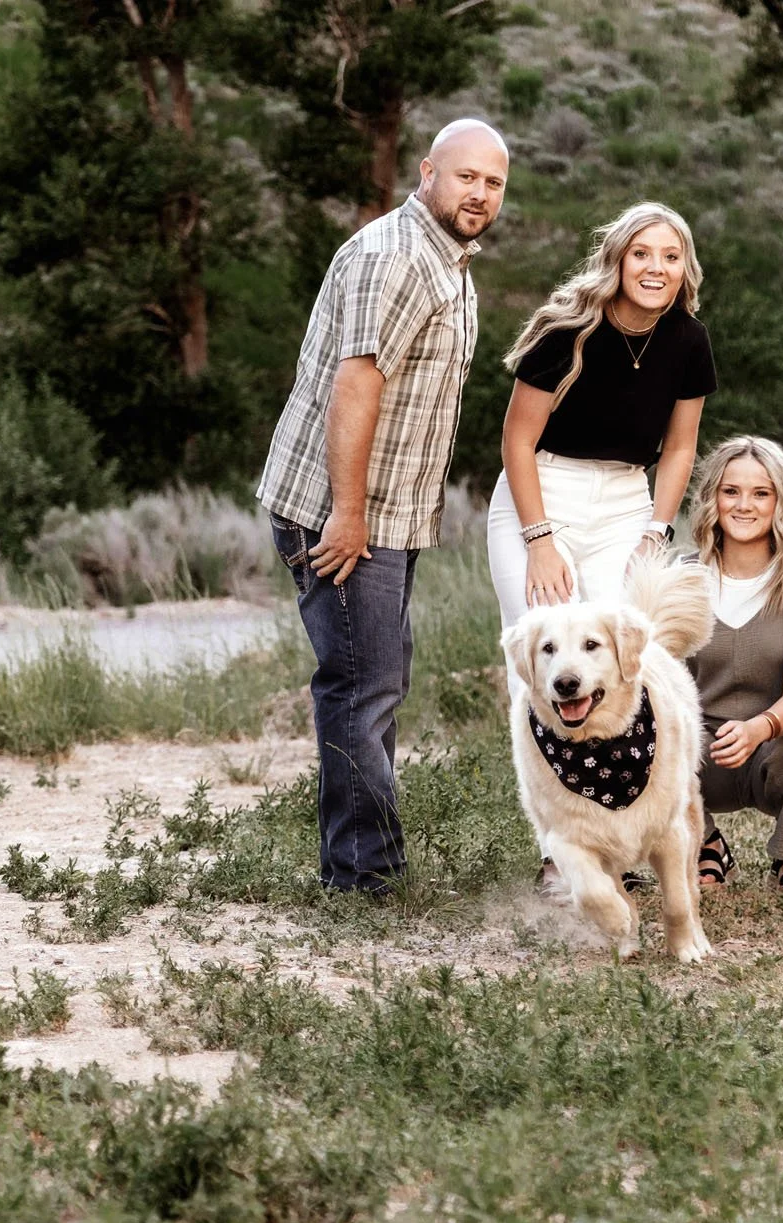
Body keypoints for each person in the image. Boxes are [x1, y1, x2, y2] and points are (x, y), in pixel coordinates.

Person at [256, 119, 509, 895]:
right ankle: (365, 879)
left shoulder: (447, 259)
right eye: (466, 176)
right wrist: (349, 512)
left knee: (372, 681)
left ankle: (358, 865)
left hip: (389, 513)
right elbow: (355, 386)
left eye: (494, 183)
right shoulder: (396, 258)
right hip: (346, 512)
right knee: (363, 685)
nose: (479, 194)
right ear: (428, 172)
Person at [486, 202, 716, 893]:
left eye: (670, 257)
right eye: (642, 253)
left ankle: (634, 825)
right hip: (540, 491)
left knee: (621, 656)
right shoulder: (568, 331)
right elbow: (516, 440)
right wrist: (539, 540)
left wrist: (655, 526)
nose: (655, 268)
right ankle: (562, 845)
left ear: (684, 270)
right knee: (542, 650)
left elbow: (679, 448)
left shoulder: (688, 341)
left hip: (625, 499)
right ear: (618, 259)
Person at [685, 437, 783, 892]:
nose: (744, 506)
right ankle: (706, 844)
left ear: (780, 502)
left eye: (761, 493)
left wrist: (758, 728)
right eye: (730, 491)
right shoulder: (683, 578)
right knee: (640, 734)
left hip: (774, 743)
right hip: (699, 750)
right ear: (712, 498)